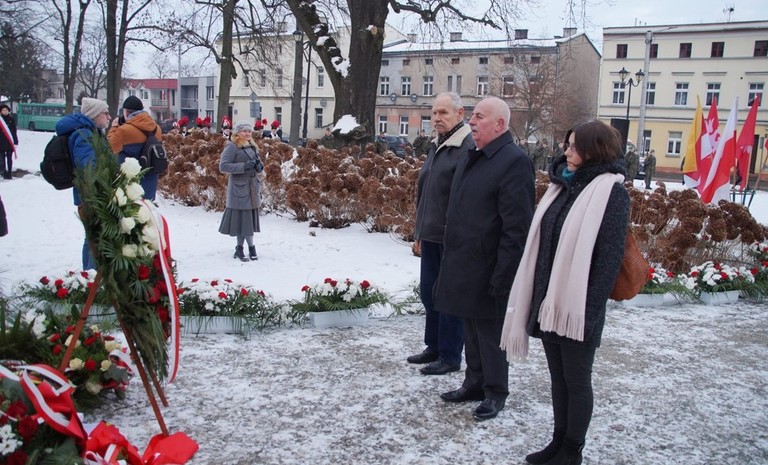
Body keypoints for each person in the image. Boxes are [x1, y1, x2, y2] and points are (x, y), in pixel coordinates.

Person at [500, 120, 629, 465]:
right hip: (549, 300)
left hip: (578, 306)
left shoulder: (611, 193)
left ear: (594, 151)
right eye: (567, 144)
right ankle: (558, 441)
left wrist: (589, 310)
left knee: (577, 379)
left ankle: (573, 450)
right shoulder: (561, 185)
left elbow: (609, 258)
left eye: (574, 146)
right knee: (557, 378)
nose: (567, 151)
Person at [434, 96, 535, 421]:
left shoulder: (514, 162)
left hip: (491, 265)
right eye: (473, 116)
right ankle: (474, 383)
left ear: (500, 124)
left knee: (491, 334)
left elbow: (516, 228)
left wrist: (504, 274)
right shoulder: (473, 154)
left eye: (479, 116)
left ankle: (495, 391)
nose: (472, 122)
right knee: (471, 329)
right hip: (465, 261)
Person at [408, 92, 472, 376]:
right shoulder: (438, 145)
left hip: (452, 237)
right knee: (429, 293)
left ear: (460, 113)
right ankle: (433, 346)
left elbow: (465, 196)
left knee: (448, 297)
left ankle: (450, 354)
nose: (437, 118)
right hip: (431, 234)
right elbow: (426, 192)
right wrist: (419, 231)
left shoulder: (466, 146)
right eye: (434, 113)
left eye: (443, 112)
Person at [55, 97, 112, 270]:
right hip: (92, 195)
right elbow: (87, 169)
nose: (109, 117)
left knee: (92, 237)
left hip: (92, 194)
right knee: (95, 238)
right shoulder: (85, 135)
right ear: (94, 115)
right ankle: (91, 275)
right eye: (105, 113)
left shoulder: (89, 131)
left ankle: (90, 274)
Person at [218, 121, 264, 262]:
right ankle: (249, 248)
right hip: (239, 188)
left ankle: (241, 249)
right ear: (237, 133)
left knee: (246, 221)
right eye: (244, 131)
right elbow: (223, 166)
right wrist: (244, 166)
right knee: (243, 221)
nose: (247, 133)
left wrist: (259, 166)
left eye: (249, 131)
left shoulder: (252, 146)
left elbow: (257, 163)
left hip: (252, 187)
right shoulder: (232, 146)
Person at [107, 96, 163, 201]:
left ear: (127, 112)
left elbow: (110, 146)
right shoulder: (157, 128)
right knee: (146, 209)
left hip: (130, 185)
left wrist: (114, 126)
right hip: (150, 182)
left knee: (132, 210)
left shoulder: (124, 130)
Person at [0, 103, 18, 180]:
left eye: (6, 110)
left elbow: (14, 131)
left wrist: (15, 141)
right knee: (2, 159)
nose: (5, 111)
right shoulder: (0, 120)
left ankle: (9, 173)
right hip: (1, 142)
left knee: (9, 159)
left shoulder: (11, 120)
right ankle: (4, 172)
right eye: (3, 110)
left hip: (9, 142)